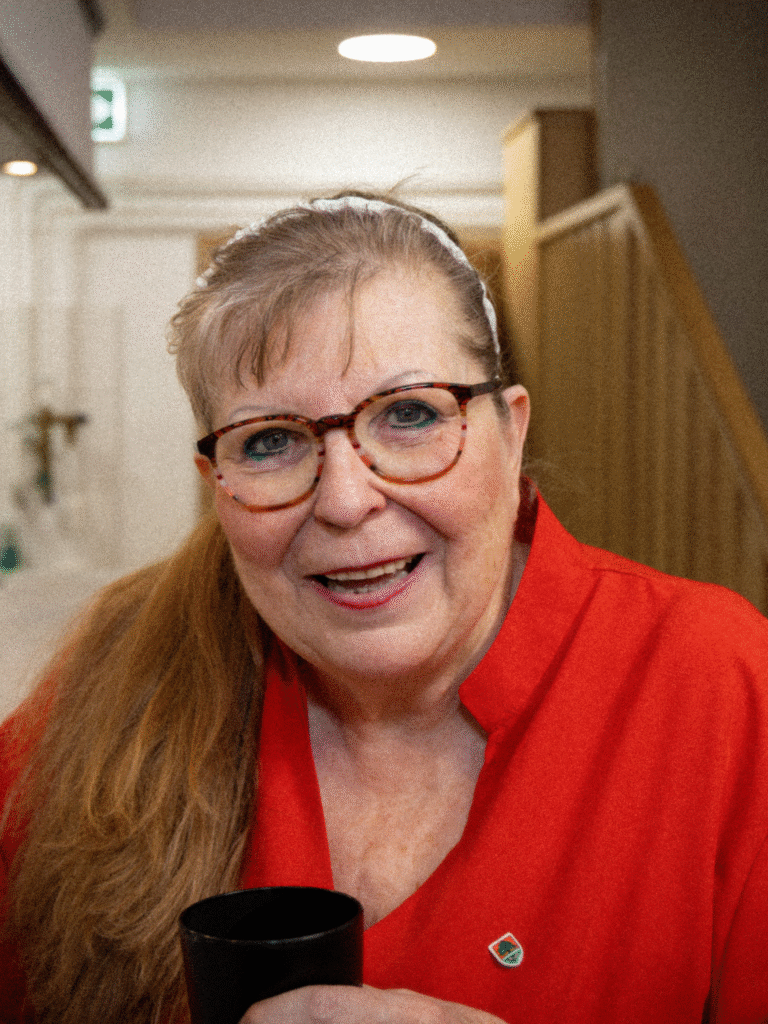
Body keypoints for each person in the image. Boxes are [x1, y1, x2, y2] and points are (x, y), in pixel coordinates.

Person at [1, 191, 767, 1024]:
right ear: (216, 483)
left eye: (409, 414)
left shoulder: (722, 687)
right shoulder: (108, 692)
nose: (344, 500)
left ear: (510, 434)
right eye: (270, 441)